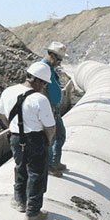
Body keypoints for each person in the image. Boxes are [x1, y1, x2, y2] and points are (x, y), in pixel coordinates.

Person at [0, 62, 55, 220]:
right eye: (43, 83)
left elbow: (1, 114)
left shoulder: (8, 92)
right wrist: (47, 142)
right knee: (36, 173)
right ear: (38, 80)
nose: (43, 87)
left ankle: (19, 201)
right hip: (35, 139)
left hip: (15, 137)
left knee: (20, 167)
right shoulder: (40, 99)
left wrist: (13, 128)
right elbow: (50, 127)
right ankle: (33, 211)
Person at [42, 41, 68, 177]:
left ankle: (55, 162)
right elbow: (40, 89)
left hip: (54, 110)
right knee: (51, 138)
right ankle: (50, 165)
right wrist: (49, 107)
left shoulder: (50, 68)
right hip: (48, 110)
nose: (60, 62)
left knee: (60, 136)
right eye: (58, 59)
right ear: (51, 54)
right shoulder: (42, 68)